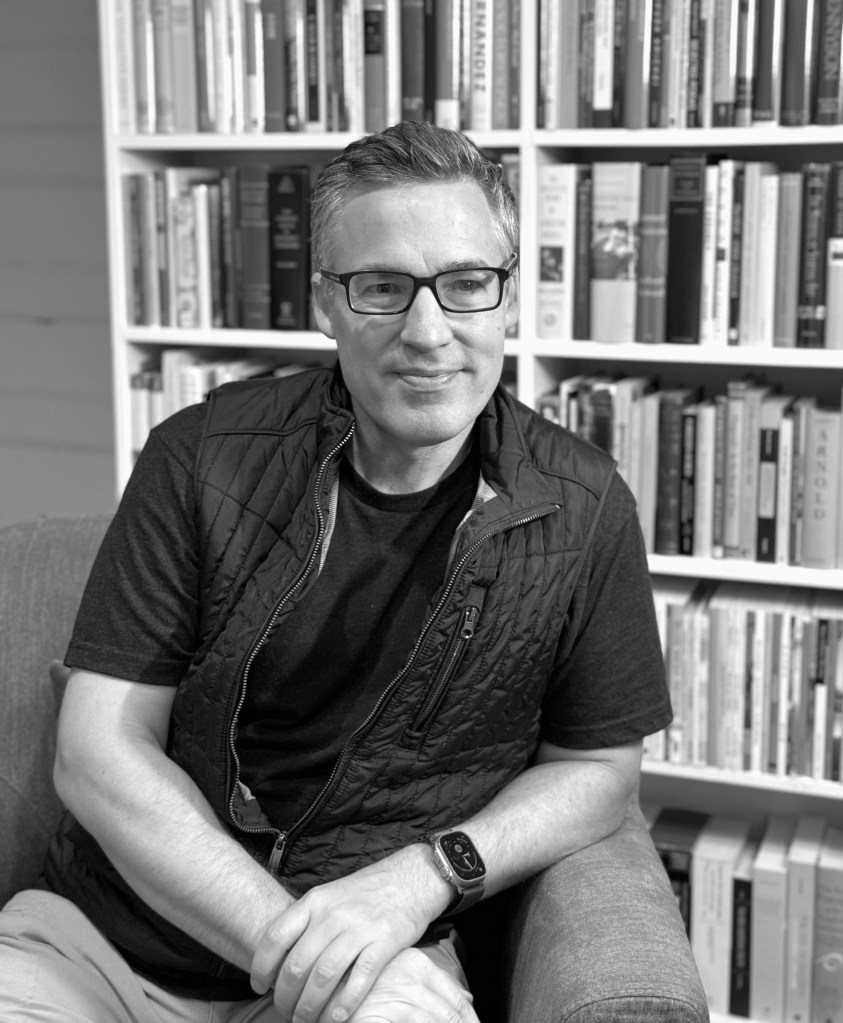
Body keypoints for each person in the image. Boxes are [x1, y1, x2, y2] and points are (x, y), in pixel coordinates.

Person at [0, 121, 671, 1023]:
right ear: (326, 303)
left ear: (508, 297)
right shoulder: (198, 458)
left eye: (466, 284)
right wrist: (302, 946)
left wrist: (424, 877)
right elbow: (96, 752)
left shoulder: (585, 506)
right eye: (382, 287)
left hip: (379, 959)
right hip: (106, 948)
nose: (428, 332)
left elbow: (596, 767)